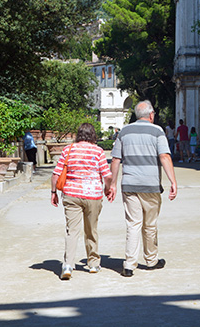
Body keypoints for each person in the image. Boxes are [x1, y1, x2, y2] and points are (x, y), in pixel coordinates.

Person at [108, 101, 177, 277]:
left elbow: (116, 160)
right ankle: (151, 260)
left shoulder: (124, 131)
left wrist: (112, 184)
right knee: (150, 224)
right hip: (150, 185)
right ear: (151, 115)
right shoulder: (157, 131)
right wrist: (173, 182)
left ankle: (129, 265)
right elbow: (164, 156)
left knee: (133, 224)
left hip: (129, 185)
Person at [51, 123, 113, 280]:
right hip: (93, 195)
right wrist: (108, 188)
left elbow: (56, 174)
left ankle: (68, 265)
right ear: (93, 135)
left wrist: (53, 192)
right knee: (91, 229)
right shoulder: (98, 151)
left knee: (72, 231)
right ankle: (93, 264)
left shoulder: (68, 149)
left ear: (78, 134)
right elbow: (107, 175)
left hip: (71, 194)